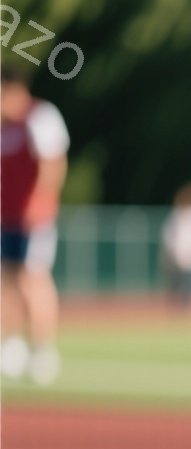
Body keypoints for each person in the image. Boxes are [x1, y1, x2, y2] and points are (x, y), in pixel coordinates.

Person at [0, 64, 69, 386]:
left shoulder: (40, 115)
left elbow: (52, 162)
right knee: (7, 280)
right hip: (6, 217)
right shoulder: (3, 126)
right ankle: (11, 344)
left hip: (34, 219)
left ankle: (43, 349)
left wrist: (40, 204)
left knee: (33, 278)